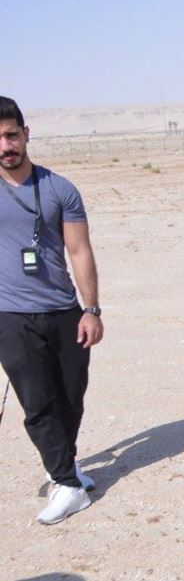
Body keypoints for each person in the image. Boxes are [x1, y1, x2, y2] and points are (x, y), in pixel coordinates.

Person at [0, 96, 103, 525]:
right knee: (37, 402)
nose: (5, 145)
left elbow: (79, 250)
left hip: (64, 310)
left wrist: (91, 309)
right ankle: (66, 482)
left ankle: (64, 465)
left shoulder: (60, 189)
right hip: (10, 316)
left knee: (70, 396)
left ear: (26, 134)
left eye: (10, 135)